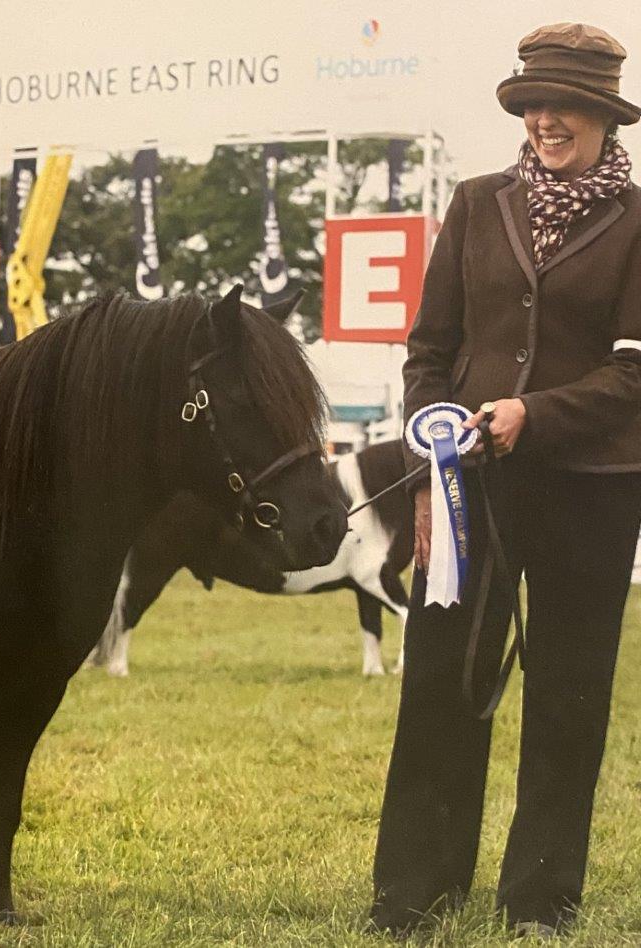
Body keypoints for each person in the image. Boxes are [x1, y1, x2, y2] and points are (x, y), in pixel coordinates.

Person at [370, 23, 641, 938]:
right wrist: (422, 471)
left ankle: (540, 901)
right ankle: (412, 894)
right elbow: (428, 354)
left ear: (605, 118)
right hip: (466, 488)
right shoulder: (475, 204)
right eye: (532, 106)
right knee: (442, 682)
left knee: (568, 693)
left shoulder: (640, 222)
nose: (545, 122)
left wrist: (537, 414)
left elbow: (636, 372)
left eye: (564, 107)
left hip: (593, 488)